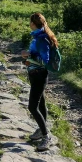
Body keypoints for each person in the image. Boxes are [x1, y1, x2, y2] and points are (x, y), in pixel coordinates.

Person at [20, 12, 58, 151]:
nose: (29, 23)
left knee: (32, 106)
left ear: (33, 23)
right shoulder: (38, 36)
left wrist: (28, 55)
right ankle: (41, 130)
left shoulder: (41, 38)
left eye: (30, 21)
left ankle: (47, 136)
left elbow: (44, 60)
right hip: (35, 74)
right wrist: (28, 60)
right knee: (41, 103)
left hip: (39, 75)